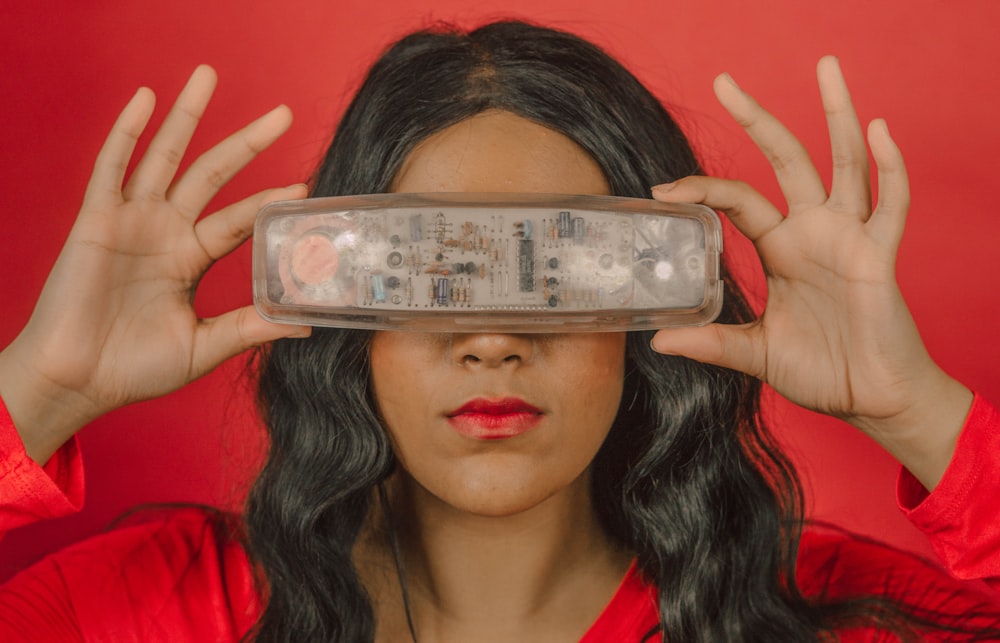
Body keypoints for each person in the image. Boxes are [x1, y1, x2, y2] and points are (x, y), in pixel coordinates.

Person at [1, 19, 999, 642]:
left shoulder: (829, 616)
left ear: (644, 302)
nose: (490, 338)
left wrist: (918, 413)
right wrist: (37, 395)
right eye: (427, 269)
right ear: (343, 302)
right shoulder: (144, 610)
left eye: (557, 270)